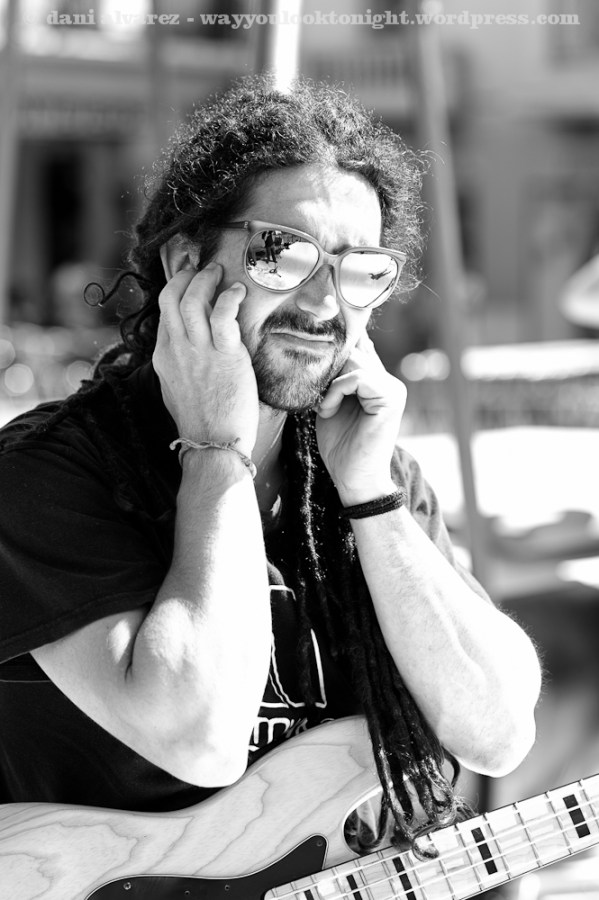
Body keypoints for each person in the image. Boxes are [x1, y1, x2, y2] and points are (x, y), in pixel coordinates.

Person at [0, 77, 541, 848]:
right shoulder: (47, 475)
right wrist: (215, 453)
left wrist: (371, 496)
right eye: (282, 254)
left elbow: (496, 734)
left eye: (361, 269)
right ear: (185, 261)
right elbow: (198, 738)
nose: (323, 304)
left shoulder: (368, 474)